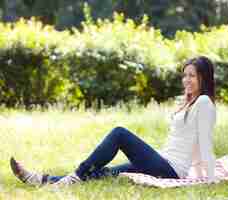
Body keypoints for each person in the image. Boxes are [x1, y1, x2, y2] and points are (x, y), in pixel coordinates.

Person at [10, 56, 217, 187]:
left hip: (169, 169)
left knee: (119, 133)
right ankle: (41, 180)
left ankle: (73, 177)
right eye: (185, 75)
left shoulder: (204, 102)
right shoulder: (192, 102)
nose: (186, 80)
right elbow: (194, 145)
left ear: (204, 78)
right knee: (107, 173)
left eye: (192, 76)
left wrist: (209, 179)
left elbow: (205, 143)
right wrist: (197, 171)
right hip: (162, 161)